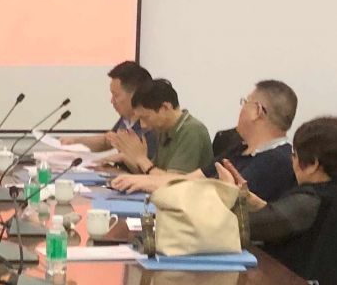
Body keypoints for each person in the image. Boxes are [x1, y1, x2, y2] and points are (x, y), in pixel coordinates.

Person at [215, 115, 337, 270]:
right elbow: (280, 219)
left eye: (295, 155)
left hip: (290, 282)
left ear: (313, 164)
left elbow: (240, 227)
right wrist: (251, 200)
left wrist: (228, 193)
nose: (293, 161)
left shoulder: (309, 202)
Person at [111, 80, 298, 201]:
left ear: (257, 111)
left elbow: (215, 198)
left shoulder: (276, 160)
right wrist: (140, 181)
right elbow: (189, 180)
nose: (241, 109)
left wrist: (146, 177)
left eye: (245, 102)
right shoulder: (239, 149)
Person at [107, 78, 213, 177]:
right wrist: (128, 158)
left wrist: (142, 159)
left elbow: (173, 182)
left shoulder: (192, 131)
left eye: (146, 117)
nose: (143, 125)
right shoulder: (163, 130)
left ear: (165, 107)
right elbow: (152, 174)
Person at [62, 60, 157, 155]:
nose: (112, 101)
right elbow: (106, 141)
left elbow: (141, 163)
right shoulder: (127, 117)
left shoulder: (152, 128)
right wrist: (76, 141)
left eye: (116, 95)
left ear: (134, 95)